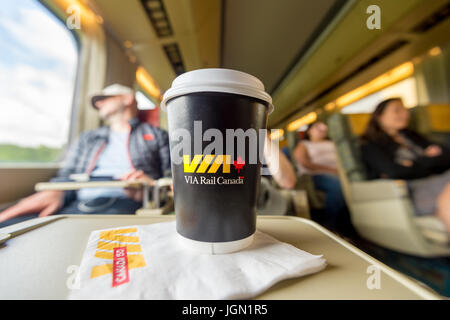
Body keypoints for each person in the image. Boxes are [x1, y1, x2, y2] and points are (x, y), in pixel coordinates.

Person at [0, 84, 171, 227]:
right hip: (73, 198)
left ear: (127, 98)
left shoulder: (156, 135)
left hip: (125, 200)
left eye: (104, 98)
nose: (99, 104)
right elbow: (67, 174)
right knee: (10, 224)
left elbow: (172, 179)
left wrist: (151, 188)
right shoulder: (88, 138)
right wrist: (57, 191)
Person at [360, 97, 450, 232]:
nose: (405, 114)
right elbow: (394, 172)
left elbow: (446, 155)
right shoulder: (370, 144)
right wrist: (427, 159)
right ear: (380, 116)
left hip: (439, 179)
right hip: (414, 190)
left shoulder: (411, 135)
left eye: (405, 110)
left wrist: (412, 164)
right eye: (397, 110)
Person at [292, 121, 348, 230]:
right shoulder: (304, 144)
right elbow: (303, 162)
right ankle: (329, 224)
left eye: (323, 127)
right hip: (316, 175)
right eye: (317, 127)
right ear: (310, 131)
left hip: (339, 173)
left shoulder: (332, 143)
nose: (322, 129)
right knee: (337, 187)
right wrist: (330, 170)